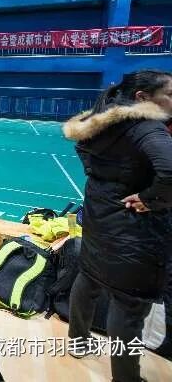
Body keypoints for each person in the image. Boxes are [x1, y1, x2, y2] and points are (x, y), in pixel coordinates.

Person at [62, 70, 172, 382]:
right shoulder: (146, 127)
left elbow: (82, 147)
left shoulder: (100, 121)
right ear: (142, 98)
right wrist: (152, 199)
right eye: (170, 94)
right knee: (129, 303)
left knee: (89, 277)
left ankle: (78, 342)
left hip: (98, 215)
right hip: (133, 228)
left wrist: (98, 176)